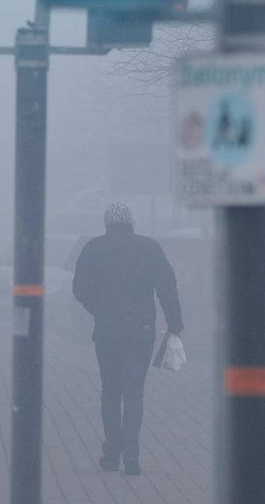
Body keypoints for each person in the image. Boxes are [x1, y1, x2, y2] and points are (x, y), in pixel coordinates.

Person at [71, 202, 183, 477]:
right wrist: (175, 324)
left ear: (107, 222)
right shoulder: (149, 248)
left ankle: (111, 454)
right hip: (141, 330)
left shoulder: (93, 248)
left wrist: (98, 308)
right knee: (134, 393)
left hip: (107, 330)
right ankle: (132, 455)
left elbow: (79, 288)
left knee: (110, 391)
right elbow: (167, 287)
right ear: (131, 222)